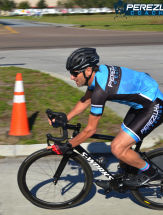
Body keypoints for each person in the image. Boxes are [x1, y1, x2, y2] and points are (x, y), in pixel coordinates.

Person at [47, 47, 163, 188]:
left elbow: (90, 130)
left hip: (154, 106)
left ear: (88, 70)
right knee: (121, 139)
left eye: (74, 73)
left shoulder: (101, 91)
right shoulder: (98, 74)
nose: (72, 77)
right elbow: (86, 100)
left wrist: (68, 145)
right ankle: (124, 172)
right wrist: (66, 118)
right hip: (142, 102)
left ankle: (152, 173)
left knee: (117, 147)